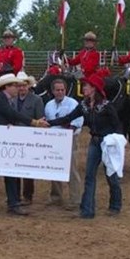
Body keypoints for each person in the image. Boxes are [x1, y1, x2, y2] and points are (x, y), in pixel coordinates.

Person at [0, 74, 49, 216]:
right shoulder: (1, 98)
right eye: (15, 86)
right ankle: (7, 203)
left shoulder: (1, 98)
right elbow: (12, 114)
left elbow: (8, 116)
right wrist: (34, 122)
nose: (18, 88)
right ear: (7, 87)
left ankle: (4, 203)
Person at [48, 73, 124, 219]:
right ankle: (87, 210)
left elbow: (117, 126)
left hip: (108, 143)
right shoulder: (83, 105)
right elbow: (68, 118)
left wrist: (116, 143)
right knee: (90, 176)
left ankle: (115, 205)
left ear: (94, 89)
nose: (83, 88)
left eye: (86, 86)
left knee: (111, 176)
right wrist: (49, 123)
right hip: (95, 142)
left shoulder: (107, 106)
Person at [44, 78, 84, 210]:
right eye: (57, 90)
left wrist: (67, 133)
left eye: (62, 90)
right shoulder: (49, 105)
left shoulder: (73, 103)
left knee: (71, 168)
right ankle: (56, 197)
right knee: (54, 167)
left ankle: (75, 199)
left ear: (65, 90)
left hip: (69, 138)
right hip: (53, 140)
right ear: (53, 91)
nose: (60, 92)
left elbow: (78, 121)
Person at [14, 72, 44, 204]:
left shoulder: (37, 100)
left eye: (24, 86)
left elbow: (40, 119)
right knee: (13, 168)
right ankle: (15, 194)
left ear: (29, 86)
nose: (22, 88)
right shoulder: (12, 100)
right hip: (14, 137)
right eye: (19, 86)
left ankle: (28, 196)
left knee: (27, 169)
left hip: (30, 138)